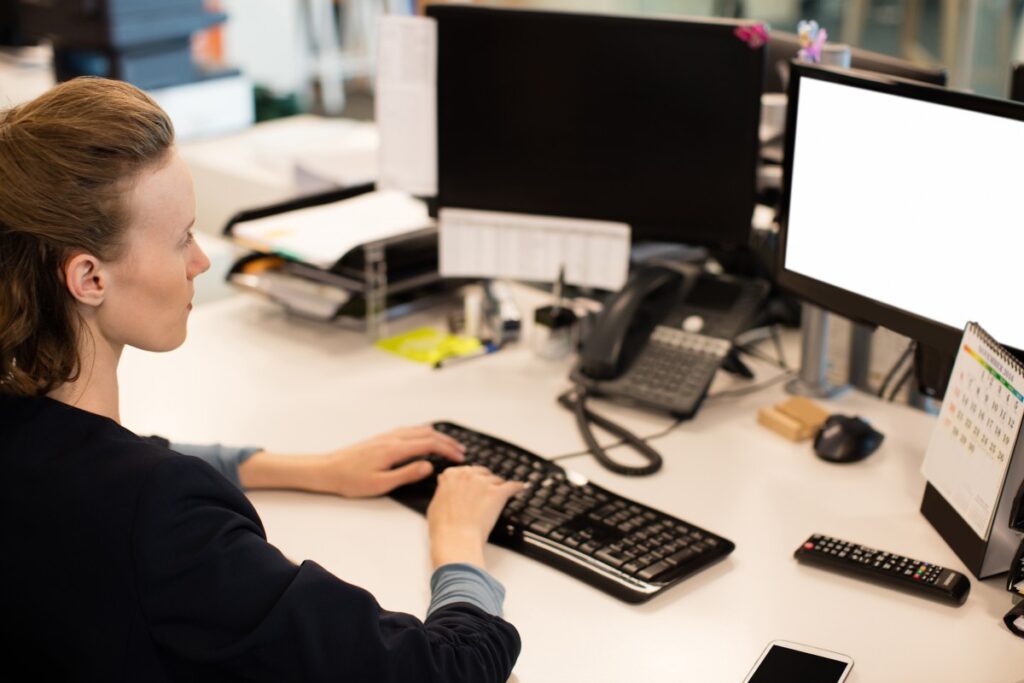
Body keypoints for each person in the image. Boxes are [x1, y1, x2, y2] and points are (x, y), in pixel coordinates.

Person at [0, 77, 524, 681]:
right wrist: (458, 541)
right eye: (183, 239)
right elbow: (445, 670)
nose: (201, 262)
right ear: (89, 278)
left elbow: (110, 461)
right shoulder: (164, 520)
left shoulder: (37, 437)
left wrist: (311, 469)